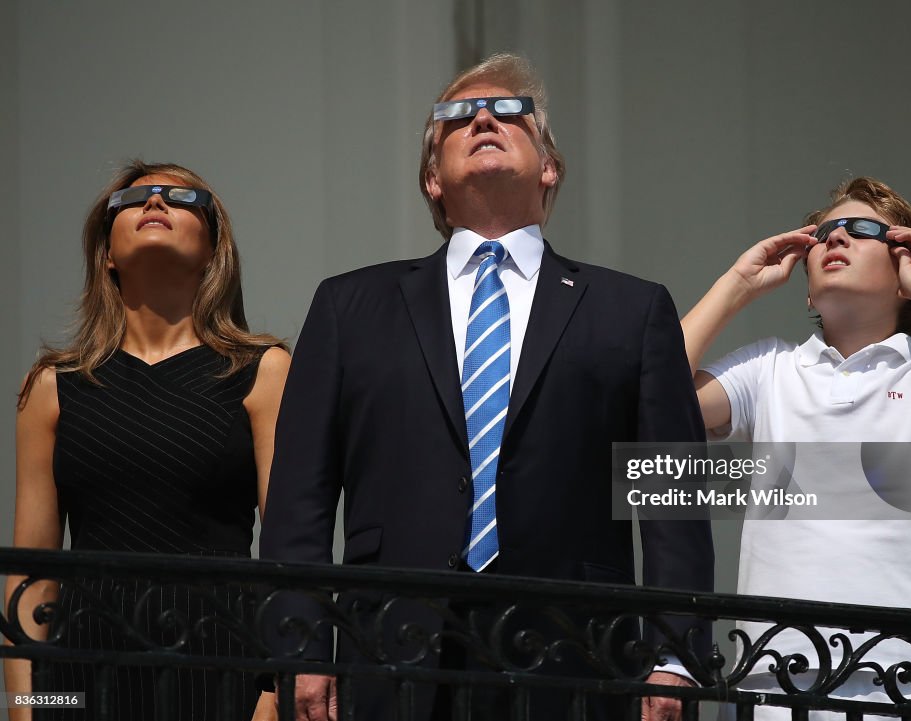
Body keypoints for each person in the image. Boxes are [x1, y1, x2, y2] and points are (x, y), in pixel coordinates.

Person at [259, 52, 713, 721]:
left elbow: (671, 499)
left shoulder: (632, 310)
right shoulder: (349, 307)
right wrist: (298, 647)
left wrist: (674, 655)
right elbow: (300, 498)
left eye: (509, 111)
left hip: (574, 657)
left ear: (550, 166)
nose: (482, 118)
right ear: (432, 178)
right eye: (456, 115)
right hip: (392, 650)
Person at [681, 176, 911, 719]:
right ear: (807, 289)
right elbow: (654, 397)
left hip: (905, 681)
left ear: (904, 273)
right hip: (774, 681)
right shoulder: (770, 369)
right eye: (825, 234)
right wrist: (737, 284)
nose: (836, 239)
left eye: (861, 231)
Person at [5, 160, 290, 721]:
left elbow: (286, 556)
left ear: (213, 248)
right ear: (106, 252)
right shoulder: (52, 386)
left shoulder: (261, 371)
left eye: (178, 199)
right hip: (81, 679)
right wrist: (28, 707)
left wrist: (272, 690)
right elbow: (31, 574)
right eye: (133, 199)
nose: (154, 203)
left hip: (221, 672)